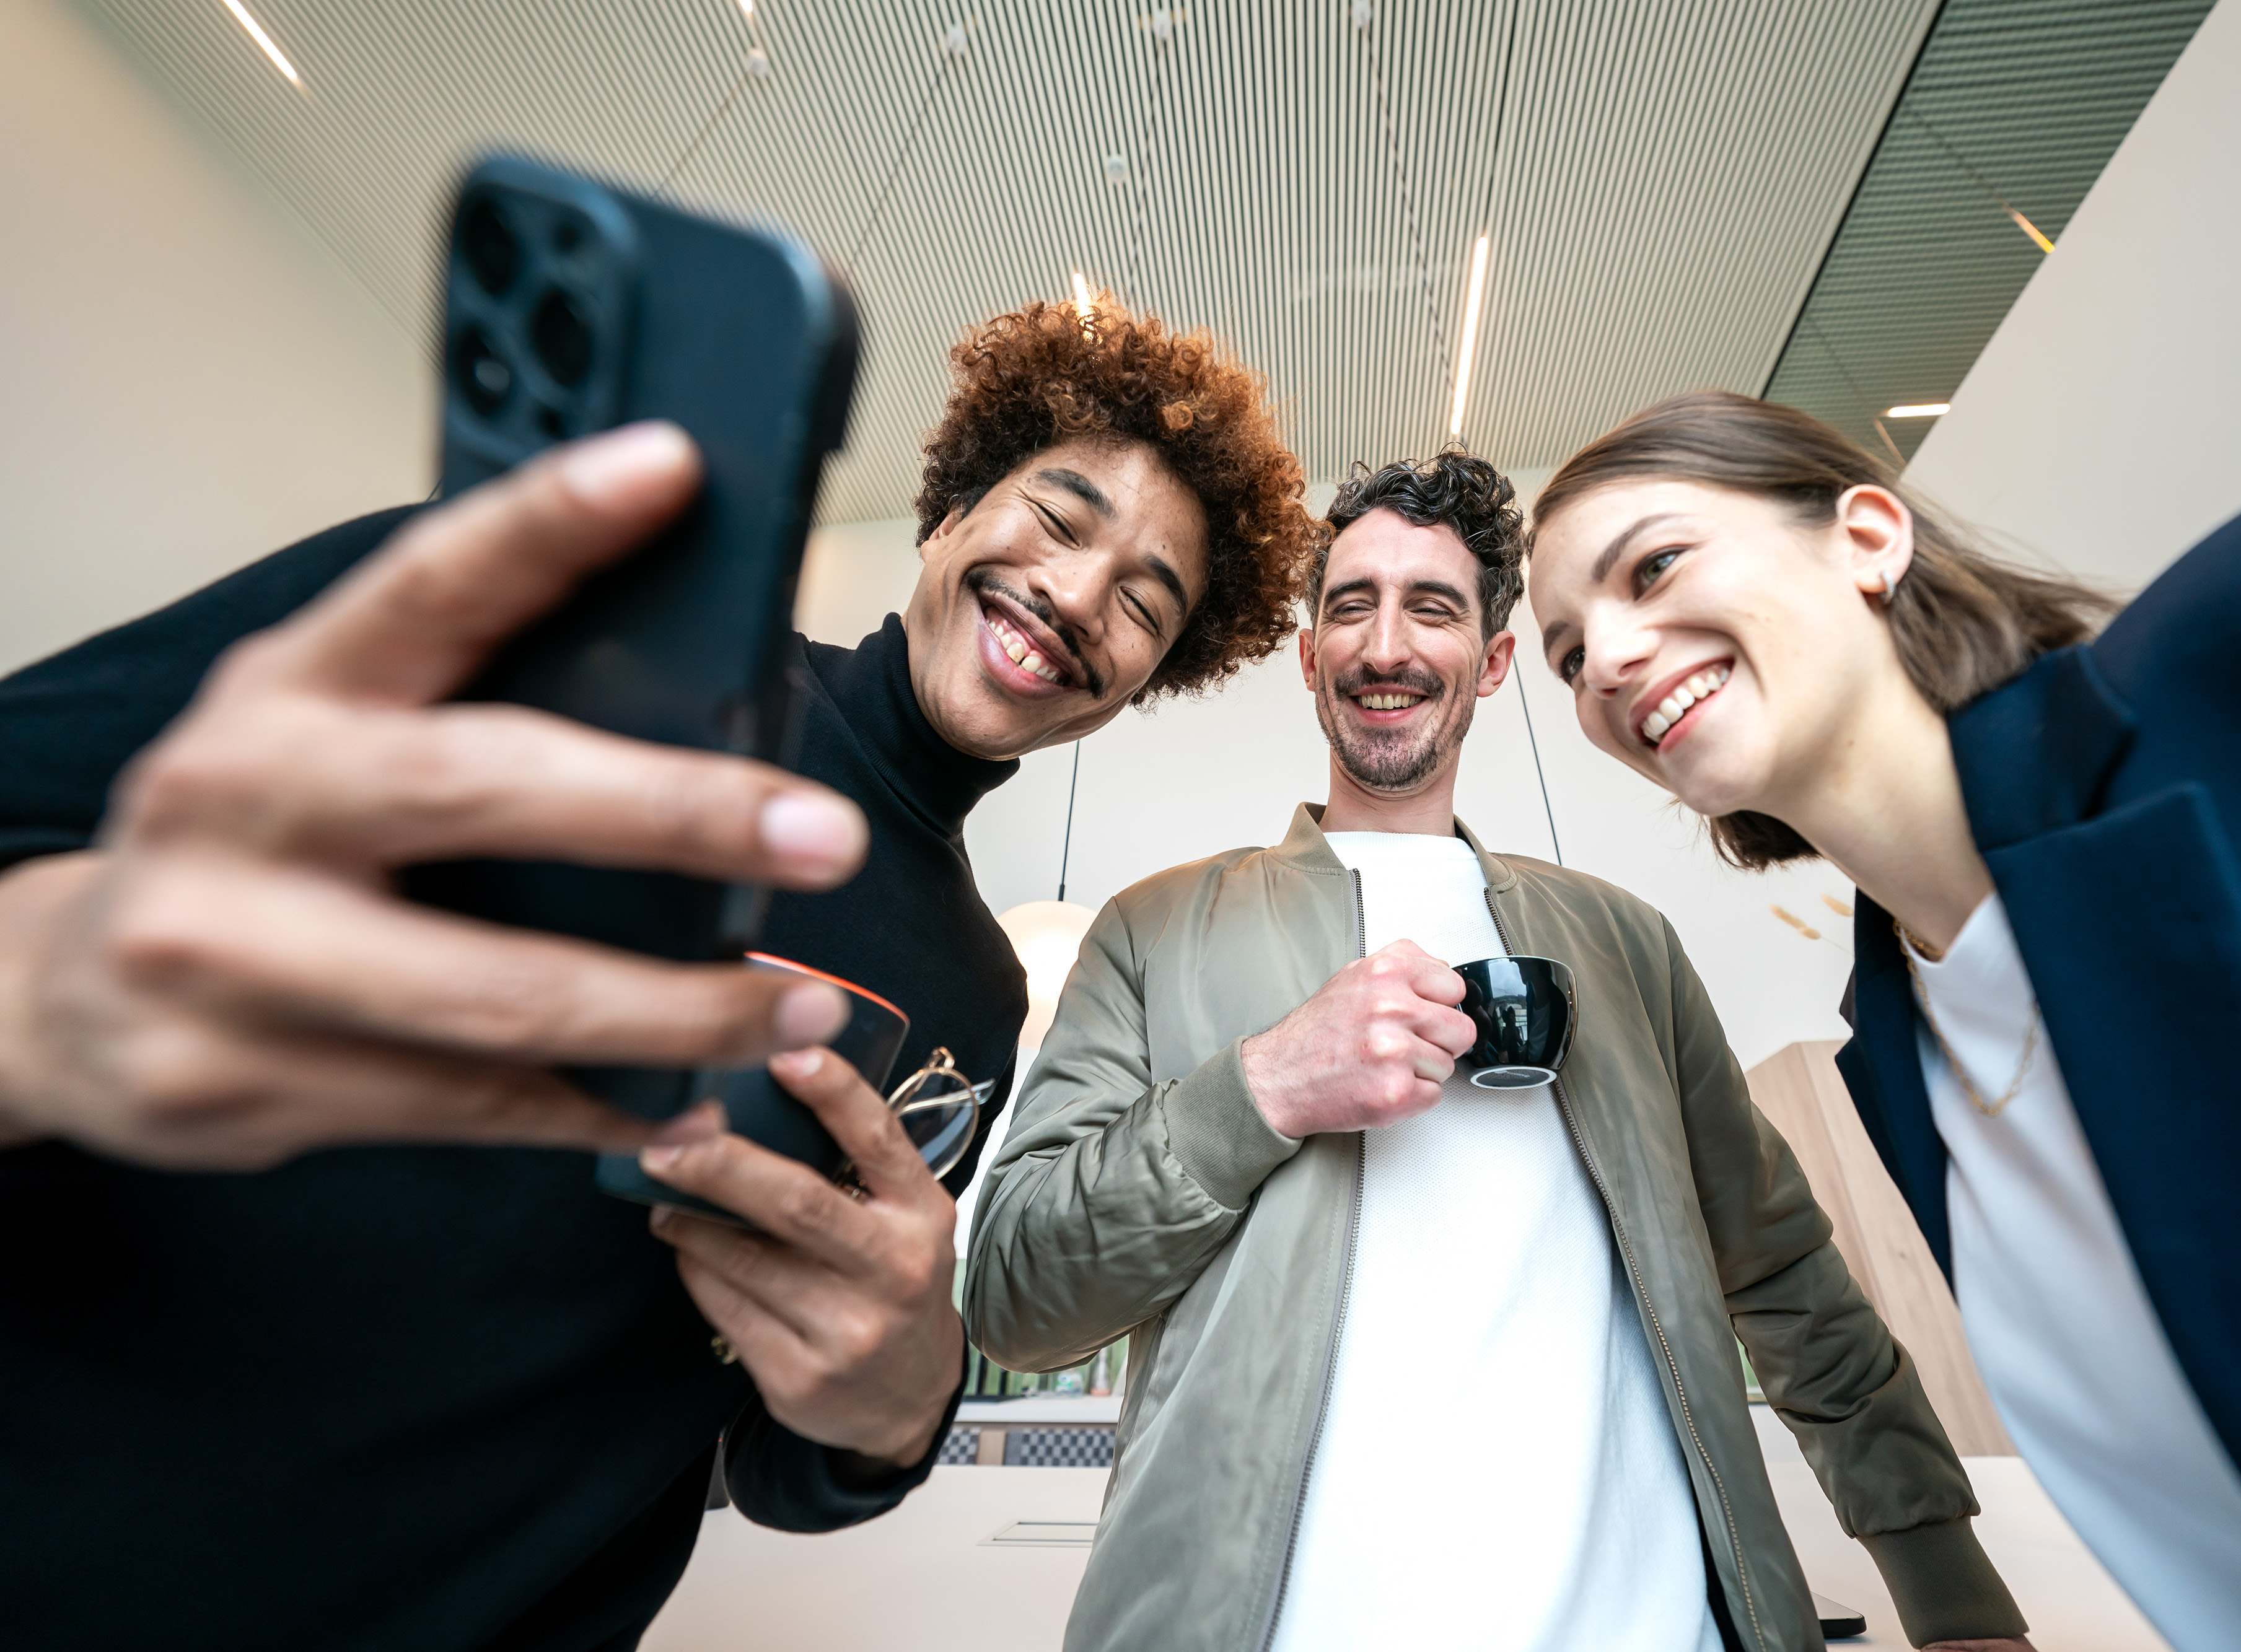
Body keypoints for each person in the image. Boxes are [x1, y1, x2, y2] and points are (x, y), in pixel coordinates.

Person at [0, 298, 1317, 1649]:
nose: (1079, 592)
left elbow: (756, 1441)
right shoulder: (559, 629)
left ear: (1144, 676)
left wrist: (893, 1416)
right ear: (948, 509)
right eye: (1058, 514)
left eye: (1146, 602)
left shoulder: (977, 998)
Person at [965, 451, 2035, 1652]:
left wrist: (1947, 1590)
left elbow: (1787, 1278)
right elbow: (1014, 1291)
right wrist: (1260, 1087)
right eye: (1351, 605)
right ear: (1309, 657)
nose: (1384, 646)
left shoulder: (1624, 941)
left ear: (1489, 662)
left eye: (1430, 606)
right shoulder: (1156, 927)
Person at [1524, 390, 2241, 1651]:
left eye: (1652, 566)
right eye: (1566, 652)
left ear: (1866, 535)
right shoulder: (1898, 1054)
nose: (1606, 661)